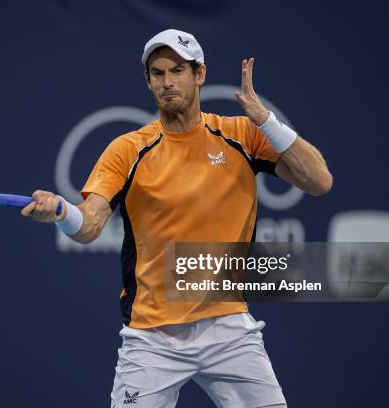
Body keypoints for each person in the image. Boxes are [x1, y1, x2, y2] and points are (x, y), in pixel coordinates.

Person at [21, 29, 332, 408]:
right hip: (152, 338)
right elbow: (89, 225)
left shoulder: (242, 134)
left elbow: (319, 181)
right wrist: (61, 211)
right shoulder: (128, 149)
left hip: (228, 329)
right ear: (148, 81)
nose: (167, 82)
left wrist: (265, 120)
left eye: (177, 71)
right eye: (157, 73)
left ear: (199, 74)